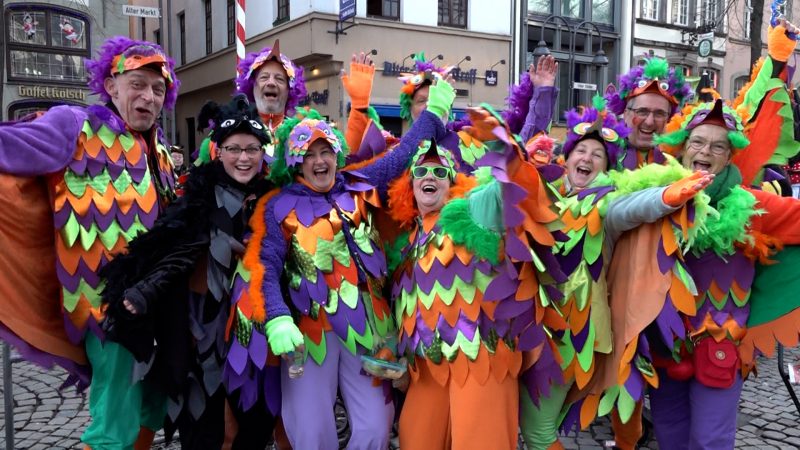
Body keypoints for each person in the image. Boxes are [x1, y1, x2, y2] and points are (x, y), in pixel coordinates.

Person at [245, 75, 456, 449]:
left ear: (337, 154)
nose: (319, 160)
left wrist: (434, 112)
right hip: (310, 335)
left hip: (369, 328)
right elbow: (265, 265)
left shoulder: (357, 182)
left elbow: (403, 153)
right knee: (311, 433)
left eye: (325, 151)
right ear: (295, 163)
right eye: (308, 154)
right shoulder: (276, 207)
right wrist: (277, 316)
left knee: (376, 427)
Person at [0, 36, 179, 449]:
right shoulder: (74, 126)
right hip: (106, 307)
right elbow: (12, 147)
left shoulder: (161, 150)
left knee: (152, 404)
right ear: (111, 85)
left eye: (158, 89)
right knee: (113, 420)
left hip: (159, 301)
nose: (148, 97)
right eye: (137, 83)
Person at [518, 96, 712, 450]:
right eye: (581, 151)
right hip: (527, 327)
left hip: (568, 337)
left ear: (605, 168)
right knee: (525, 423)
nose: (587, 158)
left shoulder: (604, 205)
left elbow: (633, 208)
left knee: (538, 430)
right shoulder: (544, 199)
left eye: (597, 155)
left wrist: (668, 196)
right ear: (566, 159)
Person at [100, 95, 276, 449]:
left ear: (262, 153)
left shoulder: (273, 198)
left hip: (256, 329)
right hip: (202, 332)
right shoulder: (198, 198)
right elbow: (176, 250)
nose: (243, 158)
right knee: (203, 426)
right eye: (234, 149)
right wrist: (142, 292)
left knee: (255, 424)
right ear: (219, 151)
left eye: (252, 149)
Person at [384, 105, 563, 450]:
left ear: (453, 184)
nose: (429, 177)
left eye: (440, 172)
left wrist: (505, 150)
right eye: (421, 171)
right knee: (415, 438)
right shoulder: (409, 240)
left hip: (483, 358)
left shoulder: (469, 213)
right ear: (411, 185)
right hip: (429, 363)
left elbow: (501, 192)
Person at [641, 95, 800, 449]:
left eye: (718, 146)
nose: (706, 151)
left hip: (721, 343)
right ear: (683, 148)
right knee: (670, 434)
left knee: (710, 440)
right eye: (697, 141)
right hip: (664, 340)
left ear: (729, 156)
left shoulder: (752, 204)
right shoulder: (654, 197)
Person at [196, 39, 306, 164]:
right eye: (264, 77)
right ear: (252, 87)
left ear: (289, 90)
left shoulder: (302, 133)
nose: (271, 82)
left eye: (279, 79)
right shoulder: (225, 131)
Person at [605, 56, 693, 171]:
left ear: (669, 119)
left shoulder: (680, 161)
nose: (649, 122)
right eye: (642, 111)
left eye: (659, 113)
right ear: (626, 114)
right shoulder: (604, 154)